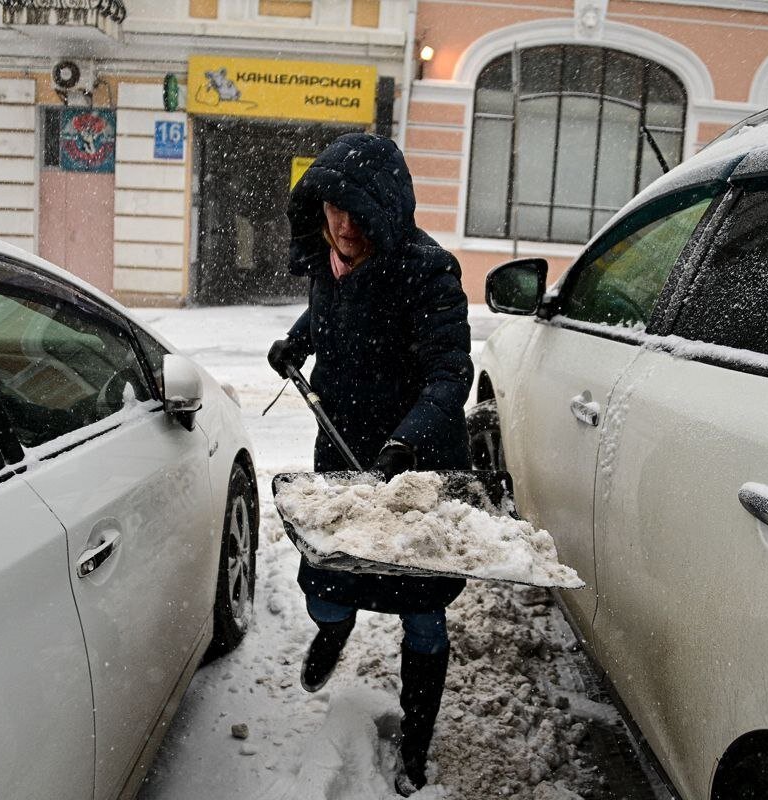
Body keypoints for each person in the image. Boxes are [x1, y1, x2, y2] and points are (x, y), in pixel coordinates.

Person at [267, 132, 473, 796]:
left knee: (421, 607)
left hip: (415, 461)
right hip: (343, 450)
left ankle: (416, 742)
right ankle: (332, 635)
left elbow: (450, 373)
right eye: (334, 210)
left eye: (360, 213)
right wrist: (294, 343)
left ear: (388, 208)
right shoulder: (326, 259)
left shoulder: (428, 269)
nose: (346, 227)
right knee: (329, 580)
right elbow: (326, 316)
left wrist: (407, 441)